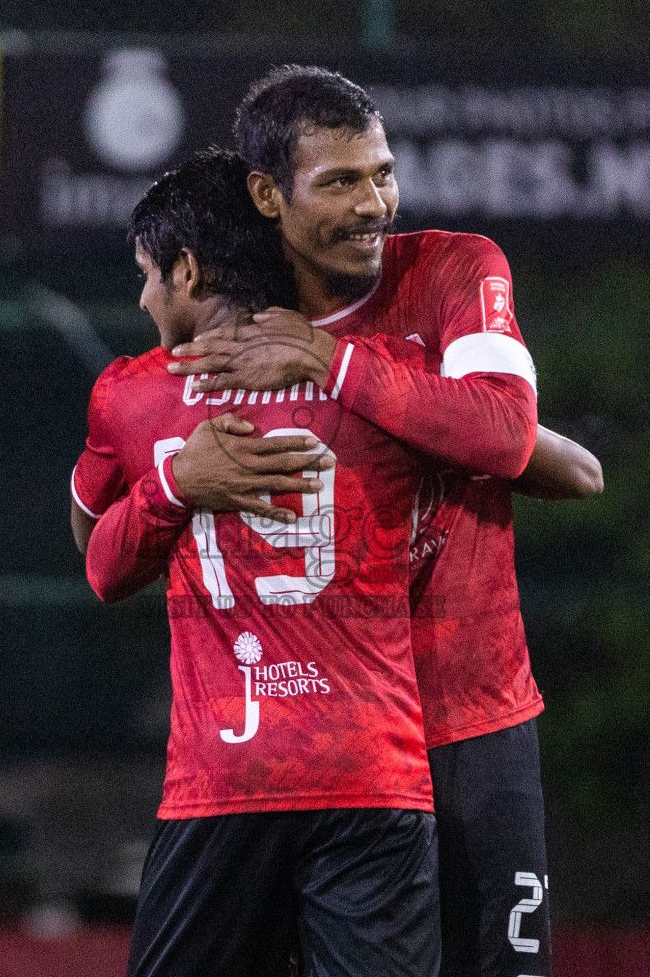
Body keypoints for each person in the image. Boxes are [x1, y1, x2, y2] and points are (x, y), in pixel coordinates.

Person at [165, 66, 603, 977]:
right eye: (341, 181)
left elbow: (506, 430)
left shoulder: (454, 269)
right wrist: (175, 481)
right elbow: (108, 527)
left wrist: (332, 362)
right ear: (265, 195)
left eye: (383, 174)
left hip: (469, 724)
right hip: (314, 752)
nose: (375, 204)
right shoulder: (228, 331)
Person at [72, 148, 441, 977]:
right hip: (372, 772)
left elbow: (99, 563)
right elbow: (517, 446)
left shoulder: (135, 395)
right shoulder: (384, 373)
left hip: (226, 780)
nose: (141, 297)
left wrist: (173, 481)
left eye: (148, 275)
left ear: (190, 270)